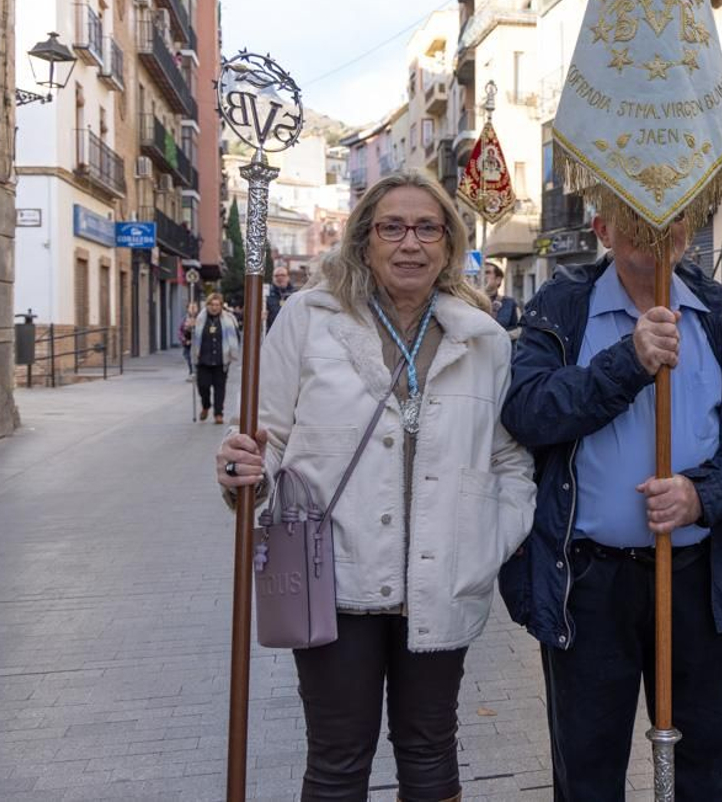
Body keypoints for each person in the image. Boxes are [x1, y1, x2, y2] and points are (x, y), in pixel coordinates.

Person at [215, 172, 536, 802]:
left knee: (430, 749)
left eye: (427, 228)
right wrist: (239, 468)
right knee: (337, 757)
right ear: (365, 241)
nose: (409, 243)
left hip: (443, 575)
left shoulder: (484, 339)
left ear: (449, 244)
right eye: (392, 227)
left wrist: (492, 534)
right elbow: (265, 435)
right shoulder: (311, 319)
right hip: (331, 576)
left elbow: (509, 455)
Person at [499, 208, 722, 800]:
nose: (659, 225)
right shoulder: (562, 308)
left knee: (704, 767)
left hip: (700, 577)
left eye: (675, 212)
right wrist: (627, 363)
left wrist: (701, 495)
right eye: (636, 213)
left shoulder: (721, 312)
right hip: (587, 582)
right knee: (587, 773)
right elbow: (527, 410)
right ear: (602, 229)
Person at [191, 293, 239, 424]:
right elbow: (188, 335)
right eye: (212, 304)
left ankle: (218, 413)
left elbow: (236, 336)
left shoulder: (228, 319)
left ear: (221, 306)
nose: (214, 307)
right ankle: (206, 406)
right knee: (203, 386)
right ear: (207, 305)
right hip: (203, 359)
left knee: (220, 387)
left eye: (217, 305)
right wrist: (190, 325)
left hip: (221, 359)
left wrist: (231, 351)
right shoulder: (199, 319)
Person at [482, 262, 521, 332]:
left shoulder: (510, 303)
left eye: (487, 272)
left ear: (498, 280)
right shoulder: (470, 301)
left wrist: (500, 336)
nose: (482, 276)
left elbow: (519, 329)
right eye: (480, 272)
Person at [266, 264, 298, 329]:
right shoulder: (266, 294)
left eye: (283, 275)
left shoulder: (295, 294)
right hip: (272, 331)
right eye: (276, 275)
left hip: (289, 331)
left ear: (288, 277)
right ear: (272, 278)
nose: (280, 278)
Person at [179, 301, 199, 379]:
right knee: (188, 357)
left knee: (195, 358)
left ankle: (195, 372)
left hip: (197, 344)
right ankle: (191, 371)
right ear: (188, 309)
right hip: (187, 343)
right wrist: (184, 340)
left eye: (195, 308)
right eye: (191, 308)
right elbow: (180, 331)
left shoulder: (200, 318)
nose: (193, 310)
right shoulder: (185, 319)